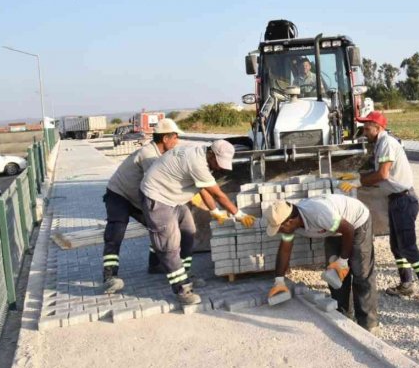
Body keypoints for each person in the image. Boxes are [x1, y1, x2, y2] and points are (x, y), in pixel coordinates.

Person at [345, 111, 419, 308]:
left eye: (367, 127)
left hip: (405, 200)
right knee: (397, 246)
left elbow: (382, 174)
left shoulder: (387, 143)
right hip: (396, 200)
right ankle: (406, 283)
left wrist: (357, 181)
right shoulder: (380, 144)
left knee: (408, 247)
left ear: (378, 128)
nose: (364, 131)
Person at [140, 140, 255, 305]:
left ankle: (185, 273)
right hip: (157, 198)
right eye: (218, 162)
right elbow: (218, 195)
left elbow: (204, 188)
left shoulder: (201, 154)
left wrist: (214, 211)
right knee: (168, 245)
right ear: (211, 154)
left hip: (174, 199)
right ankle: (182, 289)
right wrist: (239, 214)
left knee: (189, 232)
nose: (220, 167)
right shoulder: (197, 162)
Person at [264, 196, 379, 331]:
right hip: (334, 228)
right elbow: (284, 250)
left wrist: (343, 261)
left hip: (356, 222)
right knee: (334, 275)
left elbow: (348, 229)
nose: (280, 231)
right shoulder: (292, 225)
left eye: (280, 228)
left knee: (361, 272)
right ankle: (343, 315)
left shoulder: (318, 214)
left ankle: (368, 324)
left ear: (290, 221)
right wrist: (279, 281)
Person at [101, 118, 182, 294]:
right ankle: (110, 277)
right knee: (116, 232)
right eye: (175, 137)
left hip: (137, 198)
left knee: (159, 227)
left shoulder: (160, 154)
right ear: (166, 138)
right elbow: (160, 184)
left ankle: (155, 265)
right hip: (119, 194)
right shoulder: (149, 155)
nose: (177, 141)